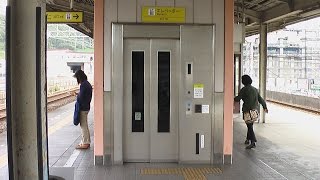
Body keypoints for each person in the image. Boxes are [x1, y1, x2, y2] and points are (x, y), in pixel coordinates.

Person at [234, 75, 268, 149]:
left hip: (247, 111)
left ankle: (253, 141)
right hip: (254, 111)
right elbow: (260, 99)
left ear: (243, 81)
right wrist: (265, 107)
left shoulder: (244, 89)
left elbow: (237, 99)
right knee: (250, 125)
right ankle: (248, 139)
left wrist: (232, 98)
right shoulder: (255, 89)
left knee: (249, 127)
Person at [73, 70, 92, 149]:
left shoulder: (83, 85)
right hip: (86, 106)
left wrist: (77, 96)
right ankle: (86, 141)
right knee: (85, 125)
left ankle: (86, 142)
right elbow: (84, 96)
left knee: (83, 125)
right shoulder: (87, 84)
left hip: (83, 108)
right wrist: (78, 94)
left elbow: (81, 98)